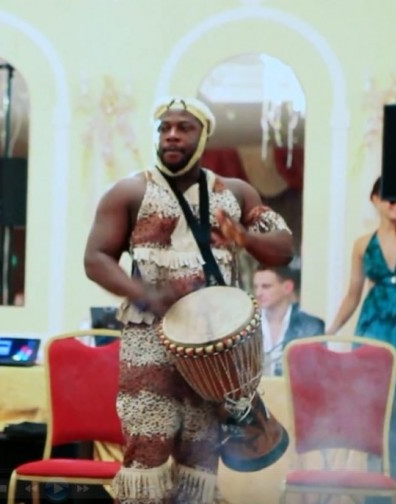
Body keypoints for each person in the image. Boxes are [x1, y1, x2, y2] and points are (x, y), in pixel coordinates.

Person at [83, 97, 293, 504]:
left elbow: (283, 247)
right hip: (148, 346)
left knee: (199, 464)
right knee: (146, 455)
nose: (172, 135)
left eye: (184, 127)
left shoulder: (235, 193)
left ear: (204, 136)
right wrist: (145, 294)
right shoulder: (129, 192)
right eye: (165, 128)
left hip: (215, 353)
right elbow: (95, 258)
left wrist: (244, 237)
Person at [326, 176, 396, 503]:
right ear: (375, 200)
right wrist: (331, 330)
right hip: (372, 330)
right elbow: (353, 294)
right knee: (372, 407)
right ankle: (375, 494)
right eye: (390, 197)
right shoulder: (363, 244)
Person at [252, 265, 325, 376]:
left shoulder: (311, 326)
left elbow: (314, 374)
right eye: (256, 287)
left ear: (287, 288)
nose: (258, 293)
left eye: (266, 287)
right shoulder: (247, 327)